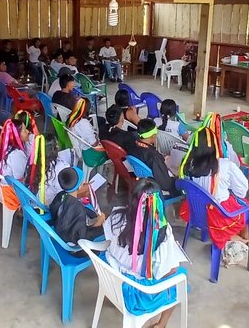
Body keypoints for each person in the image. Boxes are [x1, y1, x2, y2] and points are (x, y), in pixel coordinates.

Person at [103, 180, 187, 327]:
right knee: (180, 276)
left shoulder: (116, 216)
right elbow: (169, 270)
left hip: (112, 280)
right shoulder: (162, 232)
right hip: (137, 295)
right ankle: (161, 324)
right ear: (159, 204)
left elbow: (109, 238)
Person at [180, 127, 249, 247]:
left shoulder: (188, 164)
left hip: (195, 212)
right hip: (218, 214)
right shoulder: (225, 165)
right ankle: (241, 242)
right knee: (248, 209)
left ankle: (235, 239)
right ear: (215, 145)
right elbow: (241, 192)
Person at [49, 167, 105, 246]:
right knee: (107, 229)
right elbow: (83, 238)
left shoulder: (60, 196)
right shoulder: (77, 208)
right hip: (75, 248)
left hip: (61, 232)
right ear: (80, 186)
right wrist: (98, 223)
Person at [126, 119, 179, 197]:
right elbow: (166, 185)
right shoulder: (154, 157)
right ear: (153, 136)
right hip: (155, 184)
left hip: (143, 179)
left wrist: (161, 159)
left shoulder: (132, 145)